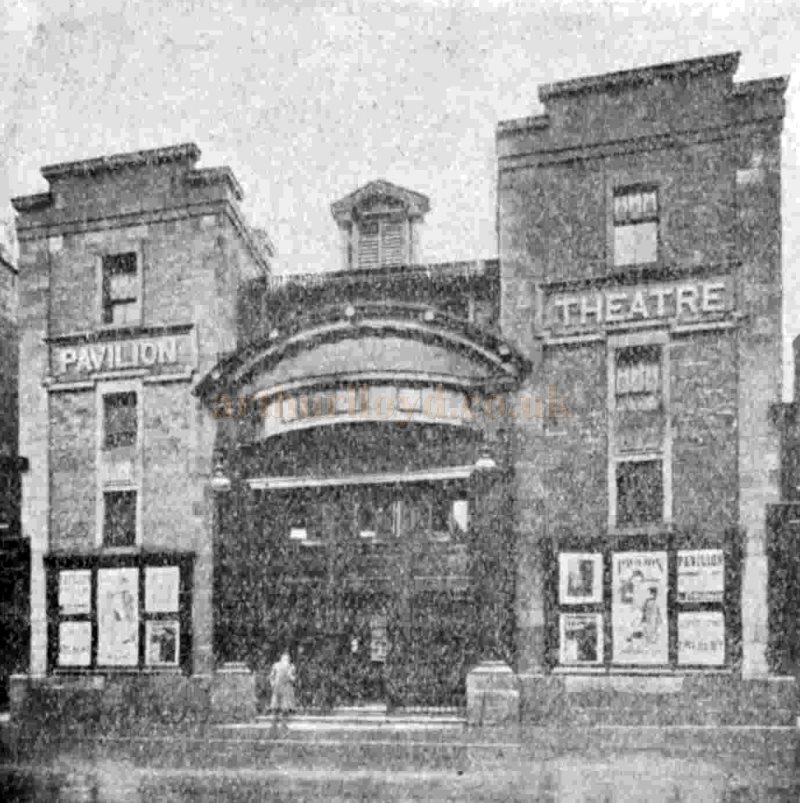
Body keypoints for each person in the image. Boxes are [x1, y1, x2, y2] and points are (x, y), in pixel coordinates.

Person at [269, 649, 296, 733]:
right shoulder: (276, 665)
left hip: (286, 689)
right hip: (277, 688)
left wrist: (290, 676)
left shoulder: (291, 667)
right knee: (275, 707)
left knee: (285, 708)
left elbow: (293, 679)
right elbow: (271, 676)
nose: (286, 659)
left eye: (287, 658)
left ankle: (284, 725)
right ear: (281, 658)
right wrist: (272, 684)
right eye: (284, 658)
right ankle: (273, 724)